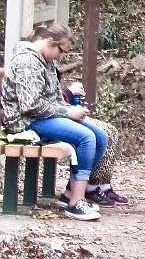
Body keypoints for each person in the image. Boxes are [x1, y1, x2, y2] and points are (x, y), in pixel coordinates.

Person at [1, 22, 107, 220]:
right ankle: (76, 202)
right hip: (24, 121)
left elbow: (54, 97)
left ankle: (70, 193)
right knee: (86, 137)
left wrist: (71, 109)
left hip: (45, 116)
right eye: (61, 50)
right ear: (50, 41)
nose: (61, 56)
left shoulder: (46, 60)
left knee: (100, 136)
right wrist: (67, 114)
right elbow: (30, 105)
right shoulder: (27, 61)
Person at [61, 80, 130, 207]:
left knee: (112, 132)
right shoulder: (37, 62)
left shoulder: (50, 64)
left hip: (65, 109)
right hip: (61, 113)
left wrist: (69, 95)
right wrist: (69, 93)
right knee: (102, 134)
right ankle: (89, 187)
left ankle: (102, 184)